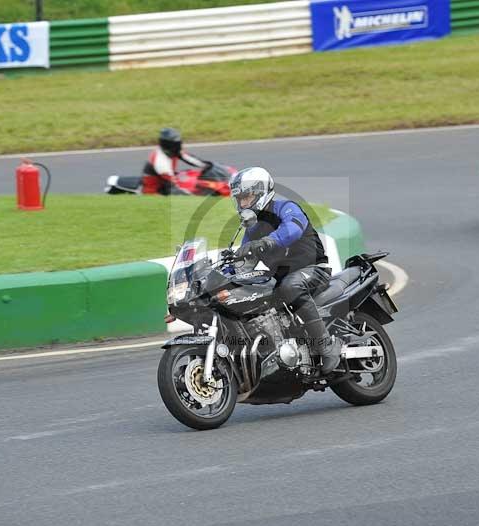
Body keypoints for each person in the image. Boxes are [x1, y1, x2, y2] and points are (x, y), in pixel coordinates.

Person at [230, 167, 342, 374]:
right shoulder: (251, 229)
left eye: (246, 197)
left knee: (291, 286)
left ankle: (326, 346)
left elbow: (293, 229)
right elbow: (245, 260)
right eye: (239, 199)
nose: (242, 203)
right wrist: (228, 269)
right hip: (282, 279)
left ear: (261, 193)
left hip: (313, 269)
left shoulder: (286, 208)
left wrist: (266, 242)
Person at [142, 128, 211, 195]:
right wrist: (192, 196)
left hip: (166, 182)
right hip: (155, 192)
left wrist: (209, 165)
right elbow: (173, 188)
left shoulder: (172, 151)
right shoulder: (161, 162)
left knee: (191, 174)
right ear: (169, 144)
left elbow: (190, 159)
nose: (179, 144)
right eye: (176, 143)